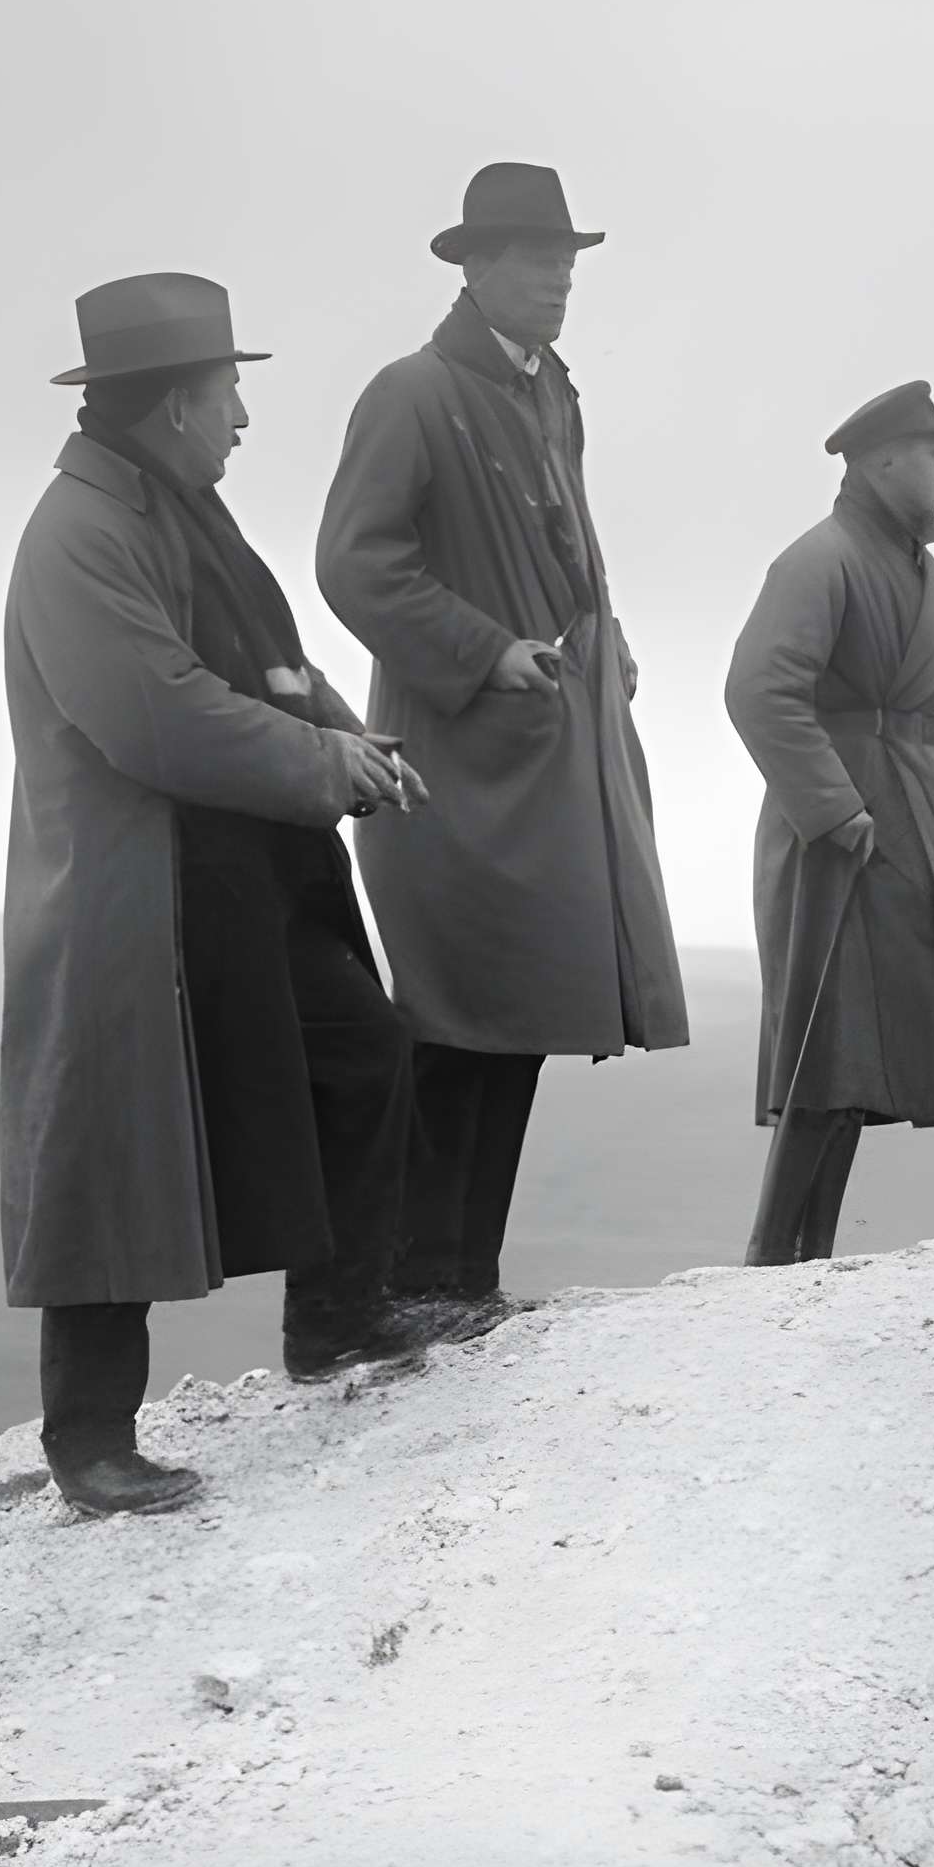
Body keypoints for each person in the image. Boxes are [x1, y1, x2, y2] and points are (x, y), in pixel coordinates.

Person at [0, 272, 469, 1520]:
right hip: (130, 894)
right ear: (170, 410)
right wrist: (325, 762)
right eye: (229, 396)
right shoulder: (81, 533)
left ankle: (338, 1317)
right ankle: (89, 1437)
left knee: (362, 1049)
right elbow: (156, 710)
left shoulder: (174, 512)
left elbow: (267, 663)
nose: (244, 422)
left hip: (229, 880)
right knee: (112, 1156)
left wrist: (343, 728)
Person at [316, 163, 688, 1319]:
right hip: (456, 754)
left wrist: (604, 640)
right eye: (536, 257)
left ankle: (461, 1274)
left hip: (551, 743)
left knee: (518, 1012)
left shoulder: (550, 391)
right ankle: (411, 1273)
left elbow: (571, 536)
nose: (559, 277)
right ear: (472, 268)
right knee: (453, 1011)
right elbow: (354, 562)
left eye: (567, 258)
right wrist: (484, 650)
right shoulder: (411, 392)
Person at [723, 381, 934, 1264]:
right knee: (827, 1049)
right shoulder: (820, 559)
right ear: (879, 459)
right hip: (842, 827)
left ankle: (804, 1257)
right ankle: (775, 1256)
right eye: (931, 453)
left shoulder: (924, 570)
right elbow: (758, 692)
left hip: (915, 806)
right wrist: (835, 809)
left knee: (855, 1055)